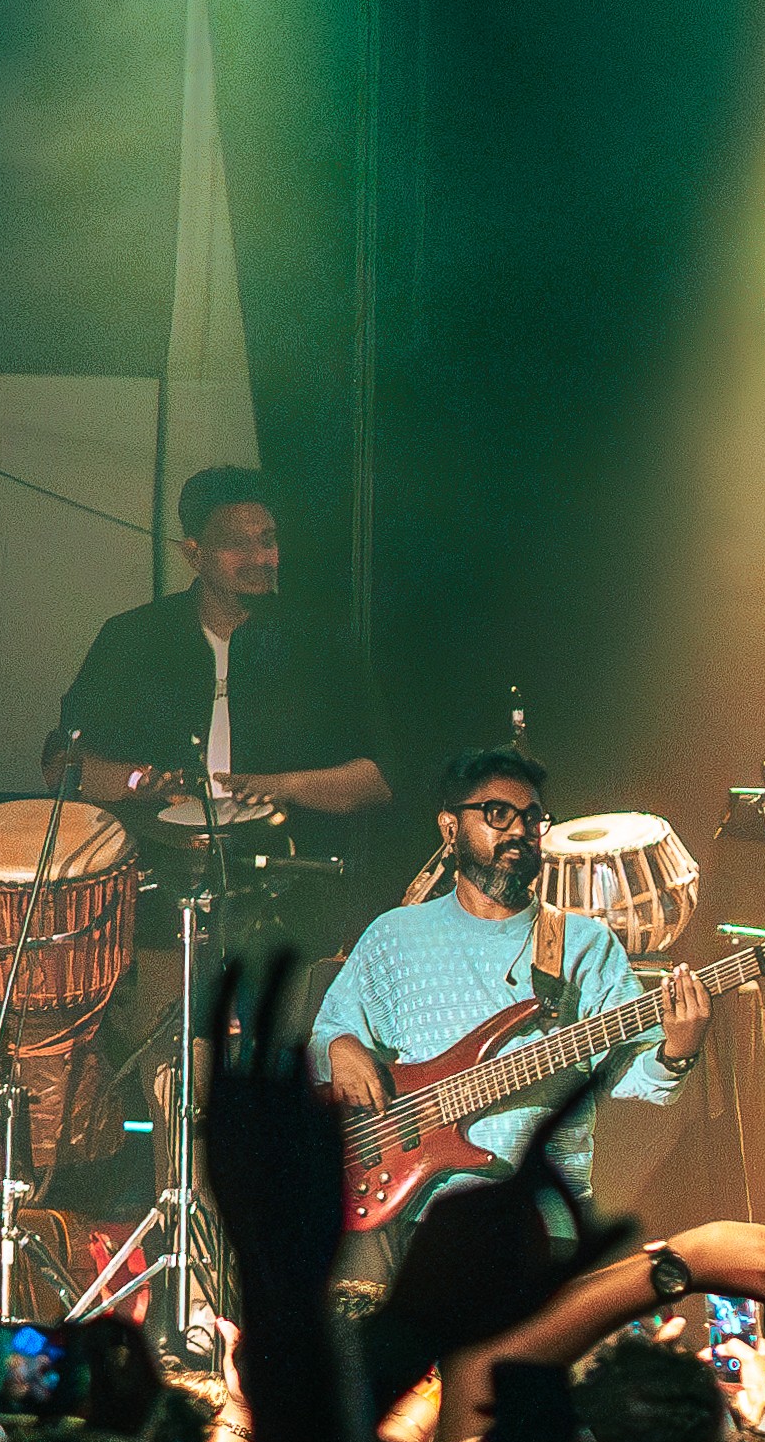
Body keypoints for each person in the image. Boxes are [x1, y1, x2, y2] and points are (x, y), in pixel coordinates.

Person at [313, 746, 705, 1215]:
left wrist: (676, 1054)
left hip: (545, 1218)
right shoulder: (394, 935)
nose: (520, 830)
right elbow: (322, 1040)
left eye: (531, 816)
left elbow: (628, 1074)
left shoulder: (582, 943)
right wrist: (338, 1047)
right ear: (450, 827)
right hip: (425, 1215)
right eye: (498, 813)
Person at [43, 464, 390, 826]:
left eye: (267, 540)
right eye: (237, 544)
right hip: (156, 862)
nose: (260, 558)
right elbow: (60, 764)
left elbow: (380, 778)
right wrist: (136, 781)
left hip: (290, 865)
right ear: (194, 554)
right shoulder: (133, 638)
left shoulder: (320, 644)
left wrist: (283, 785)